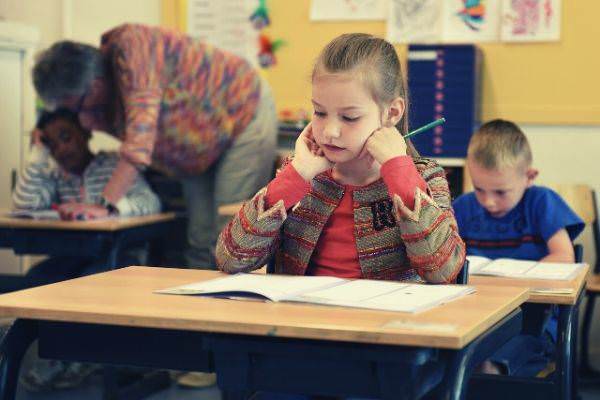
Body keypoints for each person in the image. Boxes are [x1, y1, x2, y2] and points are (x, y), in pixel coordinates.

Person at [217, 33, 465, 284]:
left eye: (349, 117)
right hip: (302, 318)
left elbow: (442, 269)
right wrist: (296, 175)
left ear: (392, 113)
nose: (329, 131)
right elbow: (231, 257)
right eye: (320, 112)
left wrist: (399, 172)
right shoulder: (302, 174)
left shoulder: (425, 178)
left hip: (382, 321)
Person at [31, 23, 278, 270]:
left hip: (243, 114)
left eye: (76, 106)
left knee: (231, 236)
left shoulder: (133, 47)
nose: (79, 116)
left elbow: (139, 144)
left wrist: (103, 206)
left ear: (94, 86)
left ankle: (232, 307)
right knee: (200, 242)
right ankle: (195, 308)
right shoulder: (97, 101)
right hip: (196, 147)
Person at [13, 108, 161, 391]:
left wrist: (107, 210)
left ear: (85, 133)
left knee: (87, 284)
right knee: (36, 280)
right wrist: (37, 156)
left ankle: (77, 357)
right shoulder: (54, 175)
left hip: (120, 256)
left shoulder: (114, 166)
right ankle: (59, 355)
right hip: (75, 255)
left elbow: (149, 202)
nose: (61, 149)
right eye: (52, 144)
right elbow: (23, 205)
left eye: (66, 137)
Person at [453, 119, 584, 376]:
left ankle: (493, 370)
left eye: (501, 192)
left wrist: (515, 279)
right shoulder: (464, 206)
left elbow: (564, 256)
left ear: (529, 177)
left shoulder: (542, 202)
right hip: (477, 314)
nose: (489, 202)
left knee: (525, 343)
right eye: (480, 189)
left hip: (533, 316)